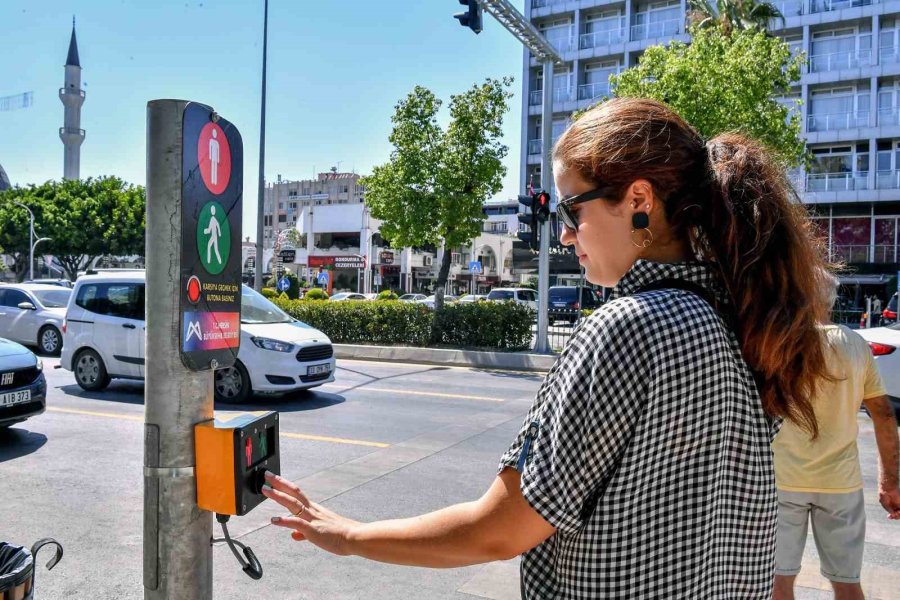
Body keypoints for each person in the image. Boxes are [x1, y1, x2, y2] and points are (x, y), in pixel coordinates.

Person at [261, 98, 834, 598]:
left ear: (638, 198)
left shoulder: (629, 327)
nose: (562, 233)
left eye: (572, 209)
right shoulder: (742, 325)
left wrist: (349, 536)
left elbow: (501, 529)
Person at [772, 277, 899, 600]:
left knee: (778, 584)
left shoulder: (779, 343)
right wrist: (890, 483)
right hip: (841, 483)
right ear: (830, 301)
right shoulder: (856, 345)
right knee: (847, 583)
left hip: (784, 480)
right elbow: (883, 414)